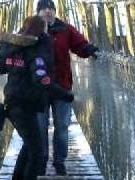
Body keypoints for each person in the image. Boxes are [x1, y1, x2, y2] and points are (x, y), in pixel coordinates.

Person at [0, 16, 74, 180]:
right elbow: (41, 78)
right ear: (40, 30)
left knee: (29, 146)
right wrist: (64, 94)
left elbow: (1, 67)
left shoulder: (15, 46)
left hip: (12, 104)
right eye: (44, 28)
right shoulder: (36, 50)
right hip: (24, 106)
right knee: (37, 152)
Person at [36, 0, 99, 175]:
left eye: (51, 9)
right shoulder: (30, 28)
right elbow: (16, 47)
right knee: (39, 126)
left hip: (62, 86)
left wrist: (88, 49)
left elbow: (79, 44)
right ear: (38, 12)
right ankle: (41, 160)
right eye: (43, 9)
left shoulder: (66, 29)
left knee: (62, 125)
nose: (47, 12)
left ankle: (59, 161)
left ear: (55, 12)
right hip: (38, 88)